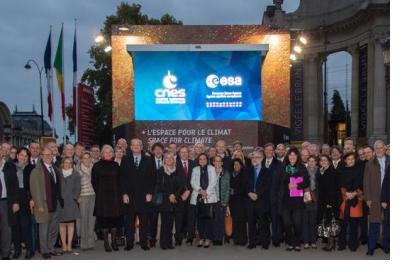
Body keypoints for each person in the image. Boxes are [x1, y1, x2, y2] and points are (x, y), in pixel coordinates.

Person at [120, 138, 155, 251]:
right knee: (129, 221)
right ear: (130, 147)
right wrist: (124, 194)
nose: (136, 146)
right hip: (129, 196)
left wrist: (150, 193)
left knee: (144, 221)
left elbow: (152, 178)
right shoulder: (125, 159)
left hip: (144, 195)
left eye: (138, 144)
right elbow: (123, 178)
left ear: (141, 146)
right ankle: (129, 243)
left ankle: (144, 243)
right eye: (133, 145)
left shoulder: (149, 160)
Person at [30, 147, 64, 259]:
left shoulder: (55, 169)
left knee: (53, 229)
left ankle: (51, 248)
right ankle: (44, 251)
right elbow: (35, 190)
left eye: (50, 155)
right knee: (44, 229)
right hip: (44, 205)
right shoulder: (37, 171)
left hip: (56, 204)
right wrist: (39, 205)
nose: (48, 156)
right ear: (41, 156)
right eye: (45, 155)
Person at [92, 145, 123, 252]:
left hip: (115, 197)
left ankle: (113, 241)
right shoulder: (97, 165)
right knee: (104, 222)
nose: (108, 153)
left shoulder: (116, 165)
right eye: (106, 152)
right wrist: (100, 192)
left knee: (114, 222)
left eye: (110, 152)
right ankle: (106, 242)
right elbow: (94, 181)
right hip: (102, 198)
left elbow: (120, 181)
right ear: (102, 153)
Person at [279, 147, 309, 252]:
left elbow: (306, 182)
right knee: (287, 223)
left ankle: (297, 243)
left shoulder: (301, 168)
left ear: (297, 157)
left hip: (297, 200)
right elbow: (279, 182)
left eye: (294, 155)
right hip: (285, 199)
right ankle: (290, 242)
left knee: (297, 223)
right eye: (290, 155)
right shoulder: (283, 167)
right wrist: (285, 184)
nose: (292, 157)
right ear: (288, 156)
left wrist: (297, 185)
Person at [363, 140, 390, 256]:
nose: (379, 150)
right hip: (374, 196)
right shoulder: (370, 163)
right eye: (377, 148)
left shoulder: (390, 161)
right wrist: (368, 198)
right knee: (374, 223)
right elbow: (366, 182)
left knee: (388, 223)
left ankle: (387, 246)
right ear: (374, 150)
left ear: (385, 149)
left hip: (389, 196)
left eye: (381, 148)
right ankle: (371, 247)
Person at [155, 152, 183, 249]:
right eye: (167, 158)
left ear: (174, 160)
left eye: (171, 158)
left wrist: (174, 195)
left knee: (171, 223)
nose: (169, 159)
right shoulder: (160, 170)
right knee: (165, 223)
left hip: (175, 200)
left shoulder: (178, 170)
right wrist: (169, 195)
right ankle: (163, 243)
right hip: (165, 200)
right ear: (164, 160)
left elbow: (181, 185)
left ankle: (169, 242)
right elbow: (159, 186)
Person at [190, 153, 218, 248]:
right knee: (200, 219)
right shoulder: (195, 169)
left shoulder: (212, 168)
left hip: (209, 197)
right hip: (198, 197)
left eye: (204, 159)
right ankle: (201, 237)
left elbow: (214, 182)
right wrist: (200, 191)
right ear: (198, 160)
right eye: (200, 159)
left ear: (207, 160)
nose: (202, 160)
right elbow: (192, 182)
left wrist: (206, 192)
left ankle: (208, 238)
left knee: (209, 219)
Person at [338, 152, 363, 252]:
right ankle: (342, 244)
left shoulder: (359, 170)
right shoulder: (341, 171)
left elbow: (362, 185)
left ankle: (353, 245)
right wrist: (346, 194)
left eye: (352, 159)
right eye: (348, 159)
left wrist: (354, 193)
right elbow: (339, 185)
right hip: (344, 200)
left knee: (354, 225)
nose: (351, 161)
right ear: (345, 160)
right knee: (343, 225)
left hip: (355, 201)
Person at [245, 150, 271, 250]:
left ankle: (265, 242)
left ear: (261, 159)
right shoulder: (247, 170)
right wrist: (249, 193)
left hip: (262, 200)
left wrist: (258, 194)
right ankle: (252, 242)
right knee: (251, 223)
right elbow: (245, 184)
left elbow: (267, 186)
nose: (254, 159)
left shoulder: (266, 171)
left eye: (257, 157)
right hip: (250, 200)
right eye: (253, 157)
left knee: (263, 223)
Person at [11, 147, 33, 259]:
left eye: (25, 156)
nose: (23, 157)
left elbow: (33, 186)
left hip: (25, 198)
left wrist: (32, 199)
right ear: (17, 155)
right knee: (15, 227)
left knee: (25, 226)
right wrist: (14, 201)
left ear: (28, 158)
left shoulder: (30, 168)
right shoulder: (11, 167)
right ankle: (17, 250)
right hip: (13, 199)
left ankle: (29, 250)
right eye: (21, 155)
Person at [317, 155, 340, 251]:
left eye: (325, 160)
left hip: (330, 200)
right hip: (323, 200)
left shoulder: (331, 172)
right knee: (327, 220)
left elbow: (332, 189)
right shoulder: (322, 171)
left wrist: (329, 202)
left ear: (329, 162)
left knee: (330, 221)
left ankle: (331, 243)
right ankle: (331, 242)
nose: (323, 162)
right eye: (322, 160)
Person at [59, 157, 81, 253]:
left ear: (72, 164)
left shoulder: (75, 174)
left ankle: (69, 244)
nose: (67, 164)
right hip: (61, 202)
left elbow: (78, 187)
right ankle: (63, 244)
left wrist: (75, 198)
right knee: (62, 224)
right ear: (62, 163)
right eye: (65, 162)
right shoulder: (58, 173)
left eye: (69, 163)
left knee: (71, 224)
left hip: (71, 202)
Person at [0, 146, 19, 259]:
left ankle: (5, 254)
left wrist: (15, 202)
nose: (2, 151)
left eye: (4, 149)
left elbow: (15, 185)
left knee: (6, 229)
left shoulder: (9, 165)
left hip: (6, 201)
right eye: (2, 148)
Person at [263, 143, 283, 247]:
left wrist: (279, 197)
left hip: (275, 198)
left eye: (271, 150)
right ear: (264, 151)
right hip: (262, 198)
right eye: (267, 150)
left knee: (275, 220)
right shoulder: (260, 162)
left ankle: (276, 239)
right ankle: (265, 240)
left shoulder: (279, 164)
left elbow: (281, 182)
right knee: (264, 220)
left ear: (273, 151)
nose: (269, 152)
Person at [75, 152, 96, 250]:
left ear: (91, 158)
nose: (87, 159)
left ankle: (91, 242)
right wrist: (77, 196)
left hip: (93, 196)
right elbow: (75, 185)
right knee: (83, 220)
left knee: (92, 219)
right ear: (81, 159)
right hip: (83, 196)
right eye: (84, 158)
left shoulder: (94, 168)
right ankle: (83, 243)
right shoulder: (77, 170)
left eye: (88, 158)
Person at [175, 145, 194, 245]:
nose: (184, 154)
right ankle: (178, 238)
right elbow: (174, 181)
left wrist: (189, 191)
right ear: (179, 154)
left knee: (190, 217)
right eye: (182, 152)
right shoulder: (175, 164)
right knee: (179, 218)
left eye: (186, 152)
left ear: (188, 153)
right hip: (179, 196)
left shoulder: (193, 163)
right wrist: (182, 193)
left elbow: (195, 179)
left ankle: (190, 238)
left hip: (191, 195)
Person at [148, 142, 165, 247]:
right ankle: (152, 239)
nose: (158, 151)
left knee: (165, 219)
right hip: (152, 194)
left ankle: (163, 240)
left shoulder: (168, 160)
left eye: (160, 149)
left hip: (164, 195)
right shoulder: (148, 161)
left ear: (163, 151)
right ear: (153, 151)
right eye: (156, 149)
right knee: (153, 219)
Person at [212, 155, 230, 245]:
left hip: (222, 200)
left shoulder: (225, 173)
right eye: (216, 161)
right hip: (211, 200)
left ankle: (219, 238)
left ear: (222, 163)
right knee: (213, 219)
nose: (218, 163)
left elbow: (227, 188)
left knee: (221, 220)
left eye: (219, 161)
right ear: (213, 162)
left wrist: (225, 202)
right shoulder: (210, 172)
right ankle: (214, 237)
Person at [229, 159, 247, 245]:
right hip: (232, 201)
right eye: (234, 164)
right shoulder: (231, 174)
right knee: (235, 220)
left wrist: (235, 191)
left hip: (241, 201)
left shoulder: (244, 174)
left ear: (241, 165)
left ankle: (243, 239)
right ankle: (236, 238)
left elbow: (245, 188)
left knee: (241, 221)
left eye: (238, 164)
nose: (236, 166)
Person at [302, 155, 319, 249]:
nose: (311, 162)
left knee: (313, 220)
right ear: (307, 162)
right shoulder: (303, 171)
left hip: (316, 197)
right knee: (305, 220)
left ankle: (313, 241)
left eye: (313, 161)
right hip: (305, 196)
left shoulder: (319, 171)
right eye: (310, 161)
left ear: (316, 162)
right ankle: (306, 241)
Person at [380, 165, 390, 254]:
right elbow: (385, 183)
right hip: (389, 200)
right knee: (388, 224)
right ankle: (387, 246)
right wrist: (383, 200)